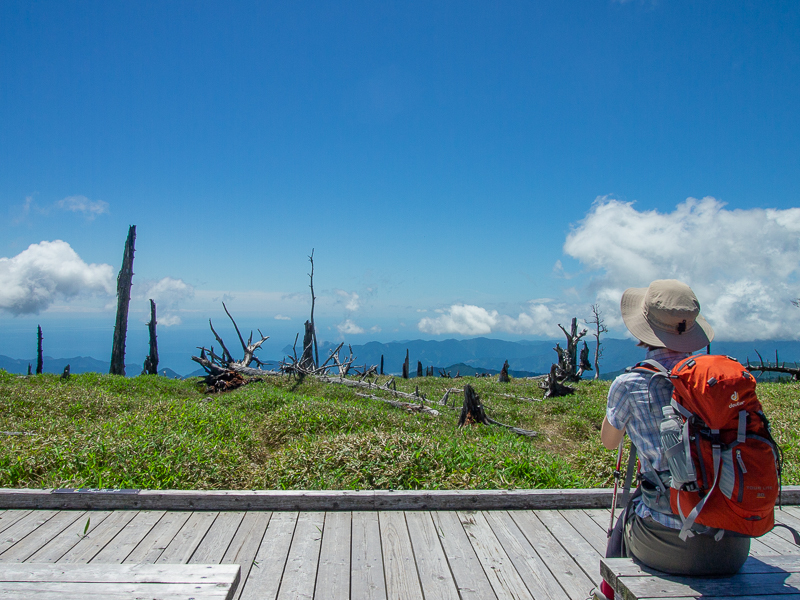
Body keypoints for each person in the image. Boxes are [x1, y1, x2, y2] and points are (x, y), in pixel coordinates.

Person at [596, 280, 750, 599]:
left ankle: (609, 594)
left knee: (626, 521)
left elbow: (609, 442)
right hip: (735, 542)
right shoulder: (726, 380)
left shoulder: (630, 383)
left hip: (668, 544)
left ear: (644, 328)